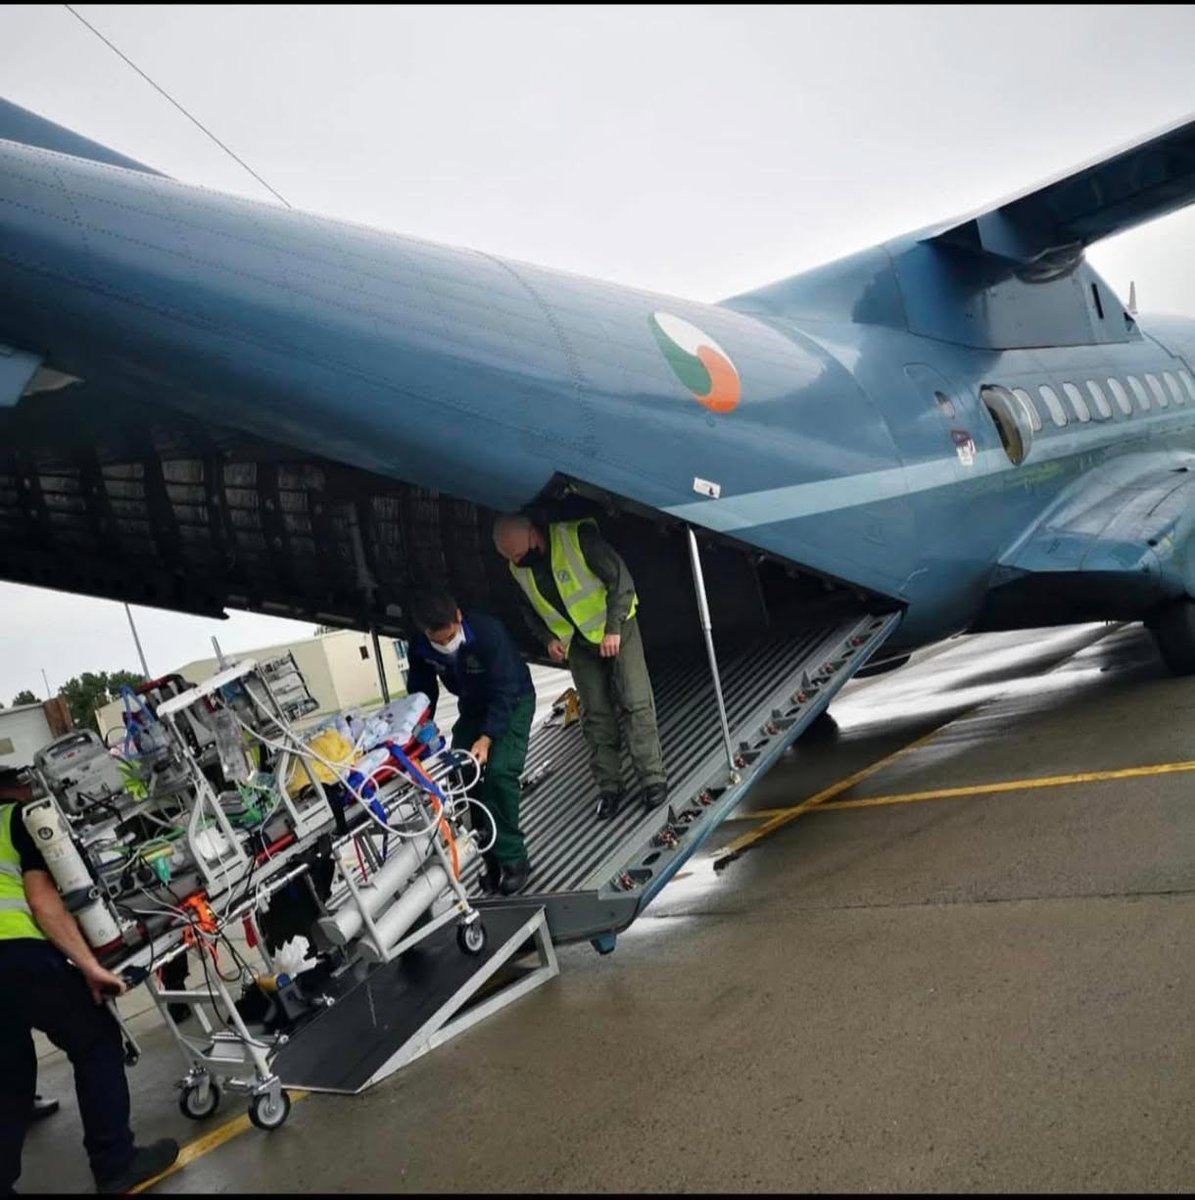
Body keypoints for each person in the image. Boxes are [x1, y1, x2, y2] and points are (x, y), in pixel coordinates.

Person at [0, 769, 179, 1195]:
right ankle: (115, 1162)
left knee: (8, 1073)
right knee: (95, 1039)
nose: (32, 790)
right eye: (23, 783)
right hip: (15, 951)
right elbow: (42, 902)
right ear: (9, 788)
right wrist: (89, 967)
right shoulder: (19, 819)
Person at [493, 514, 666, 819]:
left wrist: (613, 627)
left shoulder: (577, 539)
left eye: (518, 553)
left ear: (534, 534)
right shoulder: (516, 567)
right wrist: (547, 638)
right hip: (577, 643)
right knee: (595, 715)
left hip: (616, 628)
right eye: (510, 557)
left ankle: (652, 779)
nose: (516, 561)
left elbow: (620, 580)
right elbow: (527, 609)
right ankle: (610, 787)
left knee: (634, 701)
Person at [405, 590, 537, 895]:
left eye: (449, 636)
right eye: (438, 640)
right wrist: (420, 722)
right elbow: (422, 688)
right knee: (465, 774)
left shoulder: (488, 633)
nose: (444, 645)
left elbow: (506, 689)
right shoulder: (422, 646)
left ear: (458, 617)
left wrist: (487, 738)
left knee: (499, 774)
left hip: (512, 701)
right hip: (473, 708)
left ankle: (515, 860)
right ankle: (491, 858)